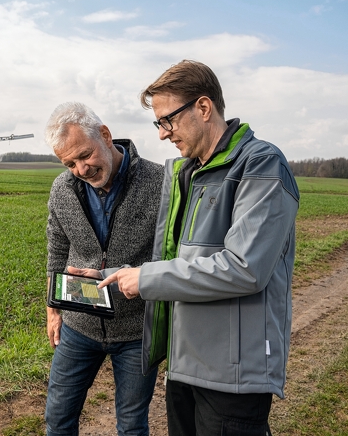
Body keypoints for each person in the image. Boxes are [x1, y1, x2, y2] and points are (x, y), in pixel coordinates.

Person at [98, 60, 300, 435]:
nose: (162, 135)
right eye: (158, 123)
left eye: (167, 120)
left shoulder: (261, 165)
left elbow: (244, 268)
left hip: (232, 376)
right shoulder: (185, 173)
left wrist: (146, 279)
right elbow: (179, 262)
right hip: (184, 365)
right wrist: (107, 278)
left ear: (203, 108)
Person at [43, 102, 163, 435]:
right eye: (69, 163)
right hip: (78, 326)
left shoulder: (160, 183)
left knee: (132, 425)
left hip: (136, 330)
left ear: (106, 135)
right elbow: (57, 251)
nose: (81, 169)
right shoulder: (62, 190)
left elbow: (173, 255)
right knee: (58, 417)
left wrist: (129, 271)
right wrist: (54, 311)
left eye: (85, 156)